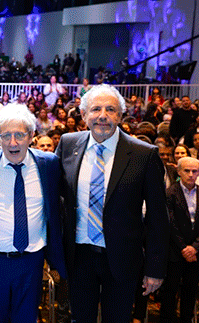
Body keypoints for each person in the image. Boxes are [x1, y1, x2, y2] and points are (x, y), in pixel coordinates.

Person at [55, 84, 169, 322]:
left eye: (110, 109)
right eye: (96, 109)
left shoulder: (144, 154)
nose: (103, 116)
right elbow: (50, 187)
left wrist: (155, 268)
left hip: (122, 259)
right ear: (84, 115)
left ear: (120, 114)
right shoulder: (67, 144)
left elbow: (158, 218)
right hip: (79, 256)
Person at [0, 103, 66, 322]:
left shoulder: (49, 164)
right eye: (5, 135)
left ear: (31, 135)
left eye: (19, 135)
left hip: (32, 260)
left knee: (27, 318)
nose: (13, 142)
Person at [160, 157, 199, 323]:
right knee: (170, 291)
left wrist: (195, 247)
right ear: (178, 171)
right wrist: (184, 247)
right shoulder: (170, 193)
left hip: (195, 252)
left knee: (190, 292)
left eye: (195, 171)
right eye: (187, 171)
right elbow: (170, 223)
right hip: (175, 251)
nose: (191, 175)